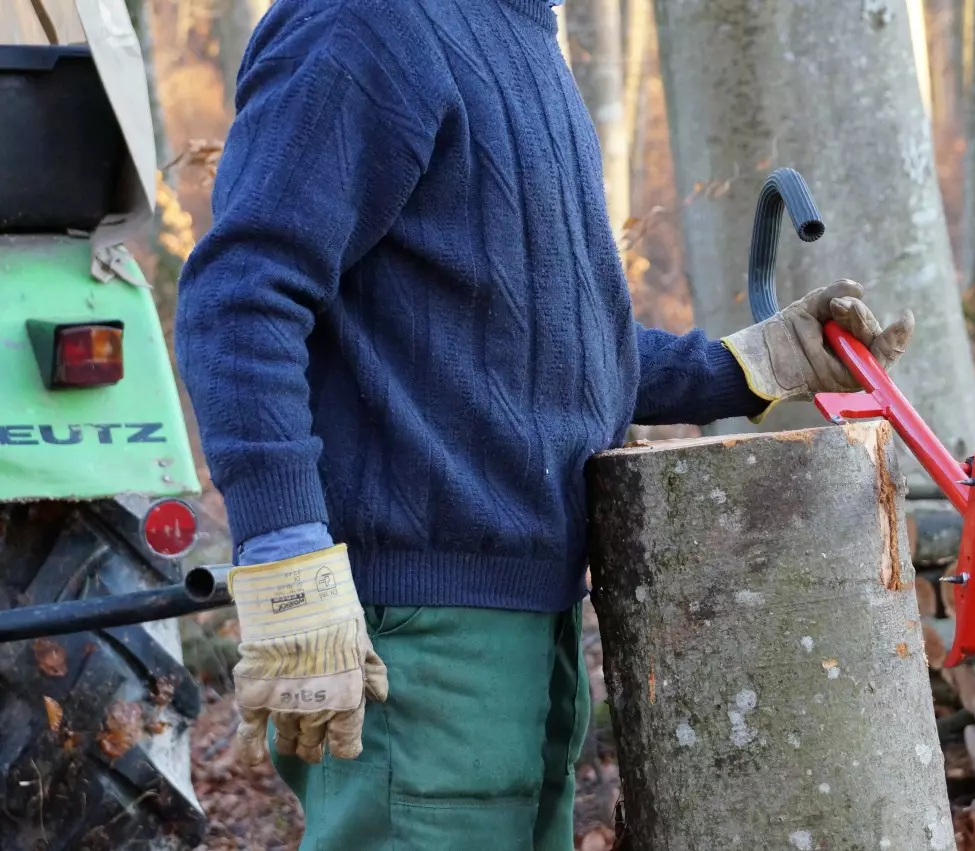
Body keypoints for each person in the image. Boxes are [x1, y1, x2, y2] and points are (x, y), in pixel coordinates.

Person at [174, 0, 914, 847]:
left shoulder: (519, 34)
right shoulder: (370, 21)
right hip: (415, 638)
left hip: (535, 626)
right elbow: (241, 297)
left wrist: (747, 367)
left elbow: (544, 339)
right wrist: (285, 553)